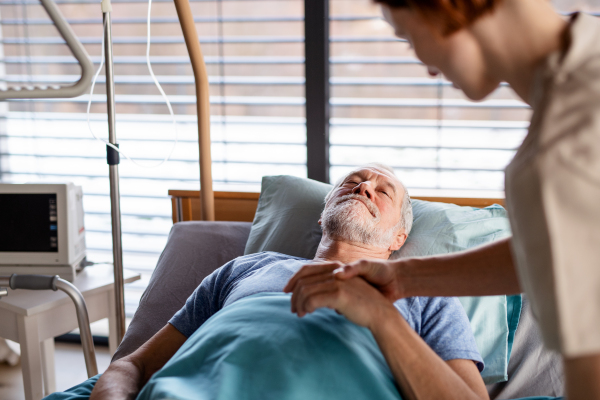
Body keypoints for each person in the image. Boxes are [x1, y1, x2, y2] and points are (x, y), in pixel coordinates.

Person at [286, 1, 600, 399]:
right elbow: (556, 251)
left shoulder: (561, 148)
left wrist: (387, 313)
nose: (427, 65)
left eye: (408, 36)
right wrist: (402, 279)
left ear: (445, 8)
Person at [89, 164, 488, 400]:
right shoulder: (245, 269)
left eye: (382, 191)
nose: (363, 186)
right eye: (351, 183)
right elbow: (132, 365)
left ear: (398, 239)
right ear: (322, 215)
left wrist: (383, 319)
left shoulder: (424, 294)